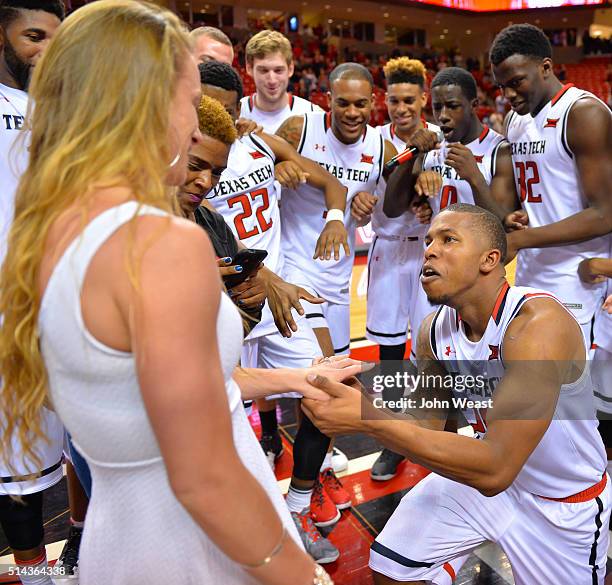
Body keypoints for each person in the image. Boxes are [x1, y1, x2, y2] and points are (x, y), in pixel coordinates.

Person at [0, 2, 354, 583]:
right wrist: (296, 573)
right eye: (190, 103)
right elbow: (203, 477)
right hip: (198, 549)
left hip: (124, 540)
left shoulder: (55, 226)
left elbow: (151, 393)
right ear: (138, 103)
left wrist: (293, 379)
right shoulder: (161, 244)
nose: (197, 126)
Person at [303, 204, 611, 585]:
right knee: (391, 569)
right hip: (487, 482)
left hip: (559, 501)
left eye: (449, 240)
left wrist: (370, 420)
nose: (430, 249)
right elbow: (428, 425)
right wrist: (362, 397)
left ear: (489, 260)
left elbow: (497, 467)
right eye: (429, 240)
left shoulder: (538, 326)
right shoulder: (433, 330)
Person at [199, 60, 349, 563]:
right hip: (228, 303)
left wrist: (332, 218)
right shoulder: (180, 161)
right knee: (215, 418)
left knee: (329, 388)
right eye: (199, 106)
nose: (210, 116)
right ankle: (237, 520)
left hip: (277, 298)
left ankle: (301, 502)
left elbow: (333, 183)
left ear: (237, 107)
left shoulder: (260, 142)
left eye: (220, 107)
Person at [378, 66, 517, 481]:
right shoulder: (432, 147)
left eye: (453, 106)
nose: (443, 115)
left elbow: (503, 231)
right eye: (437, 107)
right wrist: (414, 157)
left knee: (481, 374)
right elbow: (391, 206)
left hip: (483, 282)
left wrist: (473, 174)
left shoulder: (499, 150)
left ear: (475, 105)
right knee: (428, 366)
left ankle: (483, 450)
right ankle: (415, 447)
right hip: (436, 273)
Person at [489, 24, 612, 345]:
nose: (508, 95)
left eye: (516, 82)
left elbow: (605, 214)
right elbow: (540, 192)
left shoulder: (583, 113)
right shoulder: (515, 120)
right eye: (501, 87)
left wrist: (521, 239)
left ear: (545, 67)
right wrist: (516, 215)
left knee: (572, 390)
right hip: (530, 271)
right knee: (536, 386)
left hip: (578, 276)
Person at [349, 58, 440, 482]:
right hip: (386, 249)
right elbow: (363, 202)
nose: (401, 109)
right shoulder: (374, 143)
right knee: (388, 355)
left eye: (409, 100)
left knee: (431, 349)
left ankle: (432, 434)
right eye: (394, 101)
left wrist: (433, 206)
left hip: (430, 252)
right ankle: (391, 444)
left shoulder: (441, 140)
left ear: (424, 99)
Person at [0, 2, 65, 584]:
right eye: (33, 36)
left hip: (54, 311)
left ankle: (56, 568)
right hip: (9, 316)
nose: (47, 49)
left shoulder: (63, 111)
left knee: (53, 461)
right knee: (15, 466)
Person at [239, 30, 321, 133]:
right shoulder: (237, 113)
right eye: (263, 70)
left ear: (290, 69)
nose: (272, 80)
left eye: (278, 70)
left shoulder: (313, 115)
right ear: (249, 69)